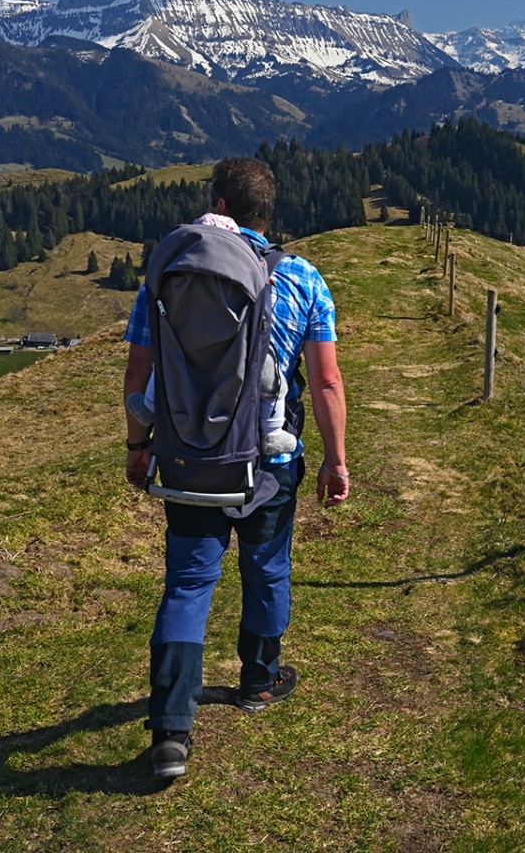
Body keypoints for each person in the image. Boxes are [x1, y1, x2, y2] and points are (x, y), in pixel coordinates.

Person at [123, 157, 349, 780]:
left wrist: (138, 447)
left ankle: (170, 730)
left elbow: (139, 374)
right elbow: (326, 380)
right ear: (265, 213)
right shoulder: (303, 278)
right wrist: (335, 460)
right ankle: (259, 678)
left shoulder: (168, 272)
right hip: (271, 459)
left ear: (216, 202)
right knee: (267, 567)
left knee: (189, 583)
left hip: (190, 457)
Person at [125, 211, 295, 457]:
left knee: (165, 366)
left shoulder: (175, 276)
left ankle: (149, 406)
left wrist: (137, 445)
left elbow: (138, 367)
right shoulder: (248, 268)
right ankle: (271, 432)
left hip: (178, 453)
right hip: (240, 448)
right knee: (273, 382)